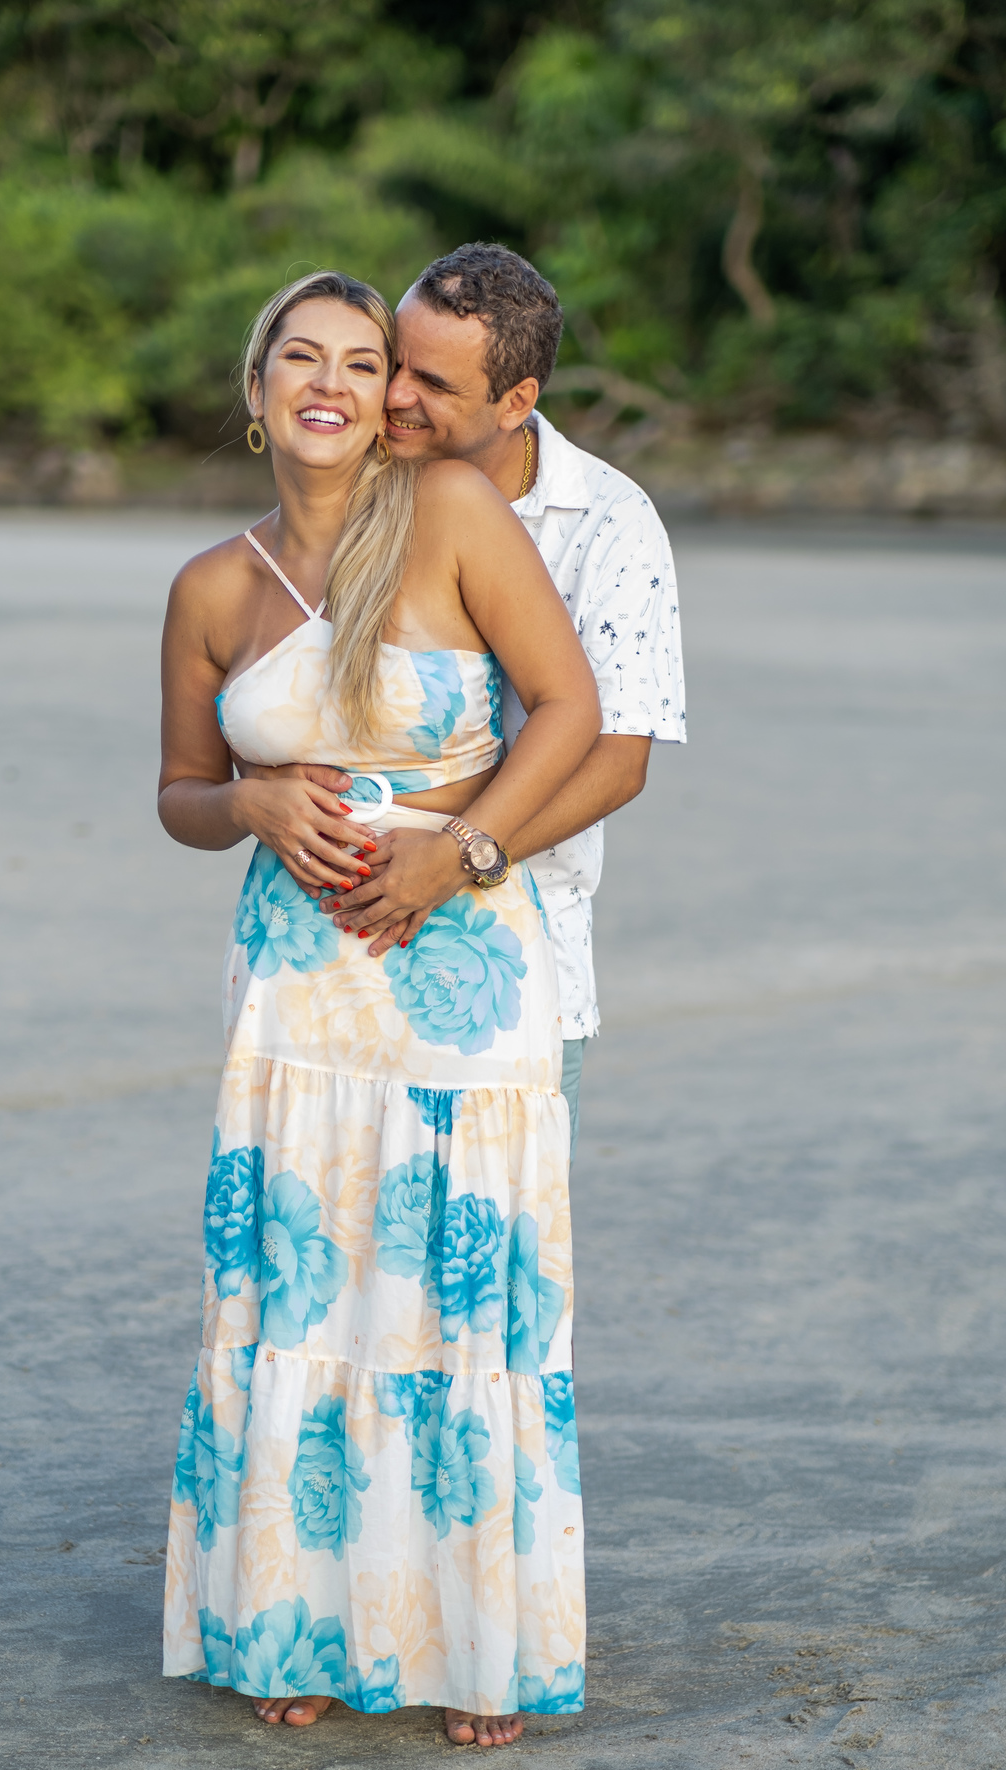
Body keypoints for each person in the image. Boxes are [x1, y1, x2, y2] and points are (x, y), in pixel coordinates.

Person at [157, 271, 601, 1747]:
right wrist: (253, 799)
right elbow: (178, 798)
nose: (341, 386)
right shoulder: (210, 589)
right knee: (304, 1296)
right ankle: (292, 1620)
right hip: (297, 989)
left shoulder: (454, 517)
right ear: (259, 387)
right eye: (306, 358)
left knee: (453, 1300)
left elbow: (571, 712)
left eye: (367, 361)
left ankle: (480, 1647)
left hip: (463, 971)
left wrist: (459, 853)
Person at [267, 245, 686, 1160]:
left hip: (523, 950)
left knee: (492, 1261)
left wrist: (460, 855)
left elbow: (619, 757)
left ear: (516, 402)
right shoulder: (360, 486)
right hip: (336, 939)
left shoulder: (609, 524)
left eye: (436, 383)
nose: (399, 396)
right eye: (397, 363)